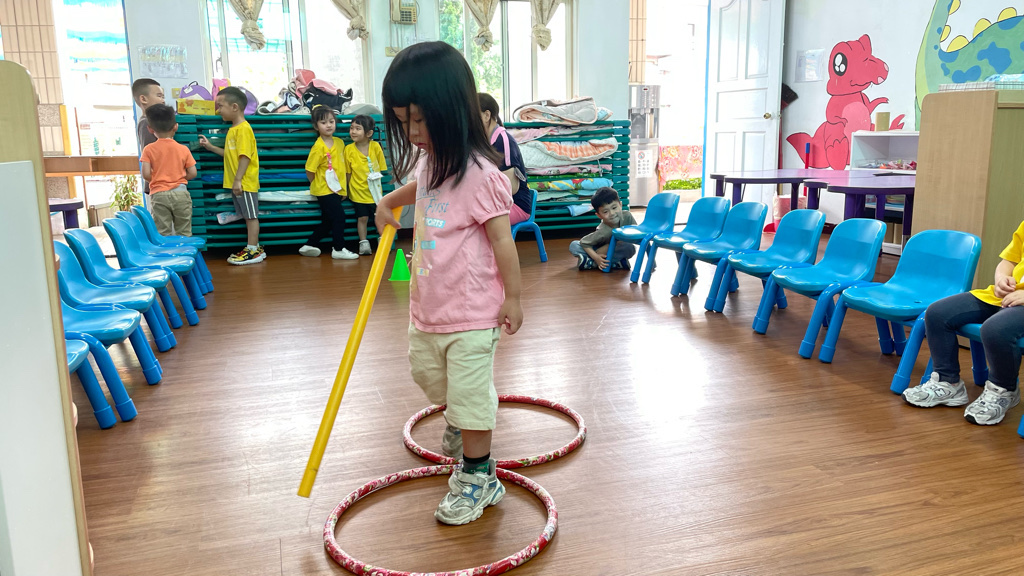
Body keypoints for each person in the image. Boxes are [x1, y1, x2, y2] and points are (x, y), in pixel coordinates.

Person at [374, 41, 523, 525]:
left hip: (473, 313)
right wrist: (387, 202)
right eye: (403, 122)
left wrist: (514, 297)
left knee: (471, 398)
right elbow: (420, 186)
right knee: (428, 377)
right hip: (428, 309)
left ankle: (479, 477)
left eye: (420, 120)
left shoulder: (481, 175)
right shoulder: (431, 159)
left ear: (452, 109)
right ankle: (461, 414)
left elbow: (502, 241)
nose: (413, 133)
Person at [902, 220, 1024, 425]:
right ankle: (947, 382)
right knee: (937, 313)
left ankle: (1004, 390)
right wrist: (1002, 278)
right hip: (1003, 296)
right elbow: (1008, 261)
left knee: (995, 329)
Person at [199, 87, 264, 265]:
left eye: (220, 106)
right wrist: (211, 147)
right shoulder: (233, 130)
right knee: (247, 215)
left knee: (251, 216)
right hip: (239, 183)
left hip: (245, 183)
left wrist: (238, 180)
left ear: (235, 107)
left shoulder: (243, 129)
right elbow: (230, 155)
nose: (218, 110)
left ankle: (253, 250)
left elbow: (245, 156)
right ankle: (253, 248)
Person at [298, 105, 358, 260]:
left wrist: (343, 189)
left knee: (328, 220)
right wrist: (317, 184)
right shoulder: (318, 147)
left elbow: (342, 168)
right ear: (316, 126)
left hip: (336, 189)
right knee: (339, 217)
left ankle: (309, 244)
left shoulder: (339, 143)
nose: (329, 125)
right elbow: (310, 170)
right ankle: (338, 248)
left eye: (331, 121)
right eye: (323, 122)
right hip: (324, 190)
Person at [139, 104, 197, 236]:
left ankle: (166, 250)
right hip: (180, 193)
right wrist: (179, 178)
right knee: (184, 231)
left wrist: (158, 179)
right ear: (175, 126)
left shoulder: (148, 149)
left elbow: (146, 174)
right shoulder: (183, 149)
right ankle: (185, 250)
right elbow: (193, 172)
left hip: (159, 194)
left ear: (150, 129)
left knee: (162, 232)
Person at [478, 93, 532, 225]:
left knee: (475, 222)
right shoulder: (484, 142)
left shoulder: (503, 141)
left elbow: (511, 187)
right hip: (495, 204)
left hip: (516, 205)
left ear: (486, 115)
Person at [345, 114, 388, 256]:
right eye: (351, 128)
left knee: (378, 217)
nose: (353, 131)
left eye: (358, 128)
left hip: (375, 192)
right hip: (358, 192)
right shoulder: (348, 149)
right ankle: (363, 242)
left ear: (369, 133)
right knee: (362, 218)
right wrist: (345, 190)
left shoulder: (375, 147)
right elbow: (348, 172)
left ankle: (383, 240)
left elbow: (381, 168)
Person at [569, 187, 637, 270]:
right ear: (599, 215)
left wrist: (609, 246)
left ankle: (591, 263)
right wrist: (597, 257)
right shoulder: (603, 231)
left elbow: (635, 233)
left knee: (630, 247)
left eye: (614, 208)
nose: (612, 213)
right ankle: (612, 263)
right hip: (597, 250)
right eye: (605, 212)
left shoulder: (627, 216)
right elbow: (584, 243)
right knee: (574, 245)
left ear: (620, 205)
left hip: (614, 250)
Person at [132, 78, 164, 195]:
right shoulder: (146, 123)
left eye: (163, 97)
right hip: (158, 183)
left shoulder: (152, 122)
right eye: (159, 96)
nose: (163, 101)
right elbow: (151, 155)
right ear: (143, 99)